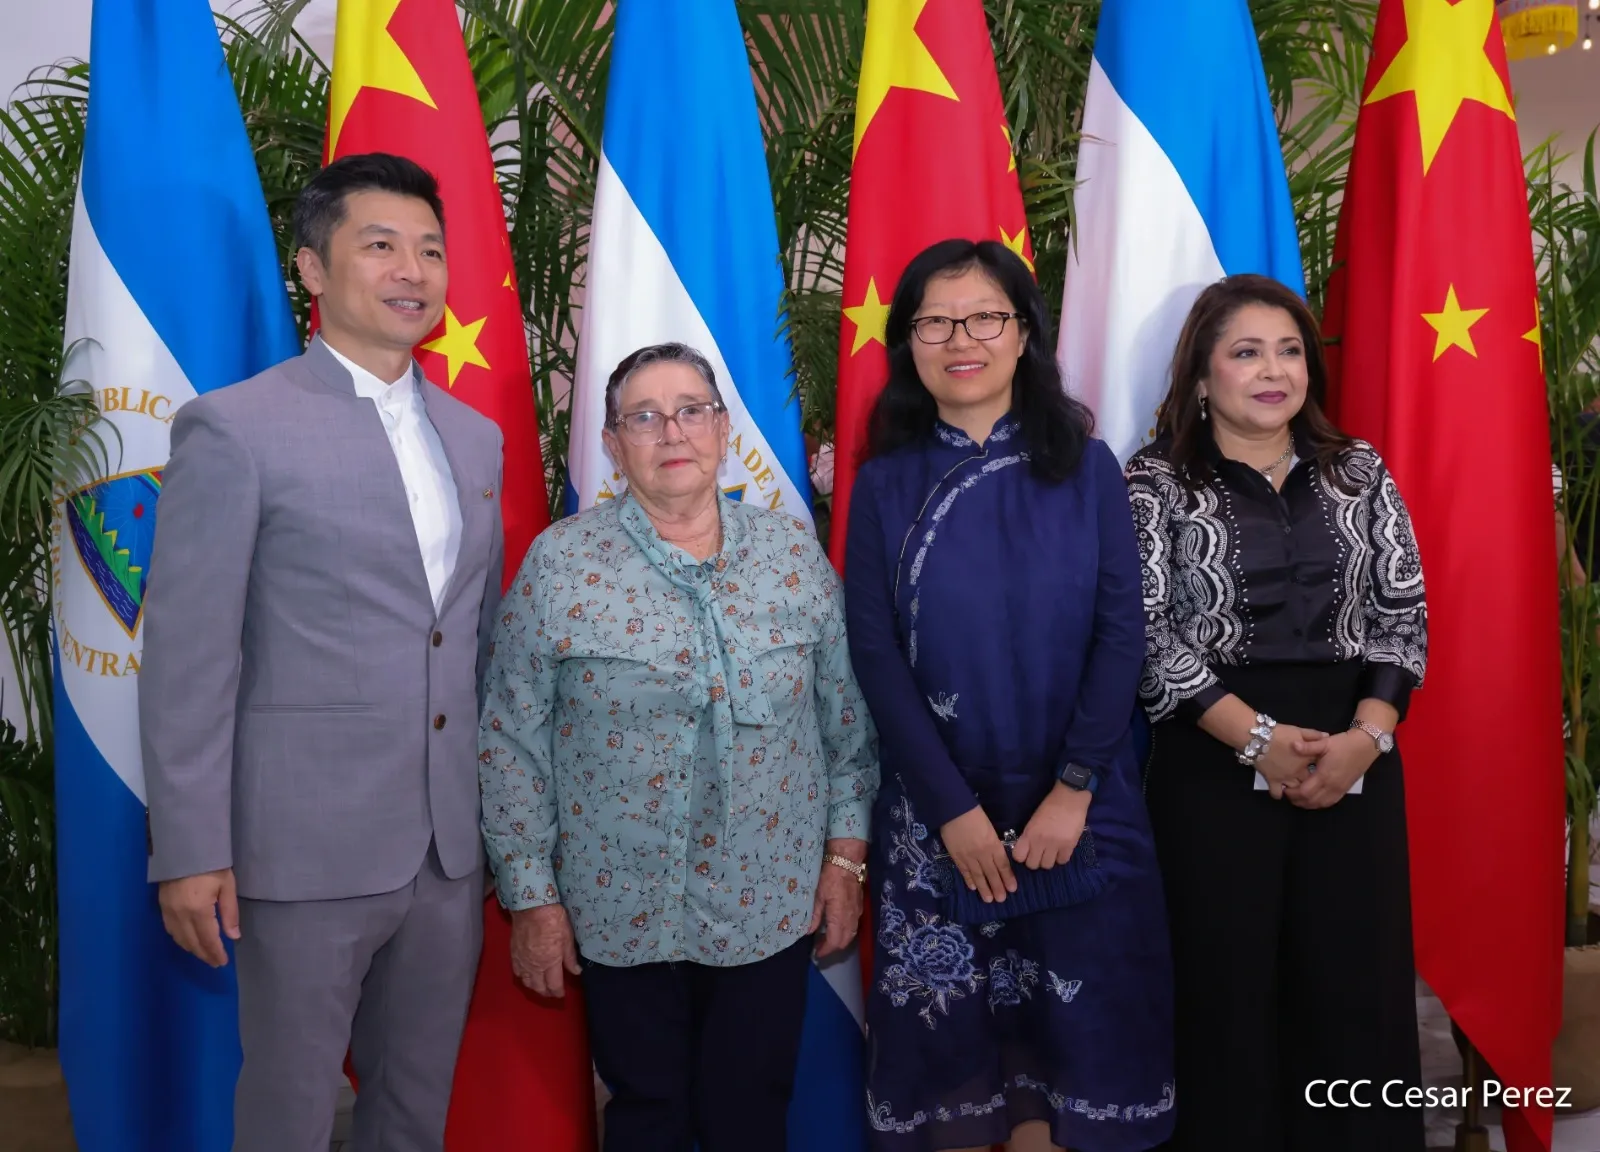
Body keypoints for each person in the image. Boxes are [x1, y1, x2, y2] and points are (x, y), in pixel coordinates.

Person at [139, 153, 505, 1152]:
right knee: (291, 1111)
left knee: (412, 1108)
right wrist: (192, 849)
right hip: (301, 848)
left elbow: (472, 640)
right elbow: (189, 655)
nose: (411, 271)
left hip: (445, 849)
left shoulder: (476, 439)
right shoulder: (237, 427)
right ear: (312, 268)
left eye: (429, 250)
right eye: (379, 245)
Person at [477, 341, 879, 1152]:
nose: (672, 433)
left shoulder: (792, 558)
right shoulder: (561, 564)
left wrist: (845, 862)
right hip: (619, 904)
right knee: (646, 1114)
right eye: (645, 417)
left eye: (692, 410)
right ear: (613, 443)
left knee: (751, 1112)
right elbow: (509, 742)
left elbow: (847, 728)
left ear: (724, 429)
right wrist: (530, 897)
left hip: (768, 899)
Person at [844, 238, 1175, 1152]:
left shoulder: (1091, 469)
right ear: (908, 342)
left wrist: (1073, 790)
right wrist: (952, 813)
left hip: (1081, 808)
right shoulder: (881, 485)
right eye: (935, 321)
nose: (963, 339)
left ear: (1024, 333)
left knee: (1081, 1052)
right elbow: (875, 654)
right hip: (938, 822)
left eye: (986, 316)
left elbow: (1122, 637)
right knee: (958, 1066)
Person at [1124, 273, 1428, 1152]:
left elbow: (1401, 617)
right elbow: (1144, 634)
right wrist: (1255, 740)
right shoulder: (1155, 482)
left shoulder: (1358, 470)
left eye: (1290, 349)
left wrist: (1364, 742)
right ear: (1201, 375)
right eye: (1246, 351)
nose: (1273, 370)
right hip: (1209, 758)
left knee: (1355, 990)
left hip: (1353, 756)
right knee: (1227, 995)